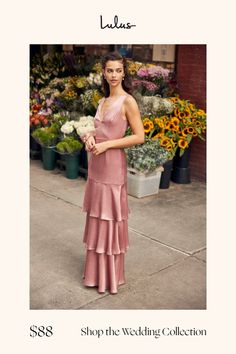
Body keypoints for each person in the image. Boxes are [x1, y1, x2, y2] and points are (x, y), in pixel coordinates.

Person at [82, 51, 144, 294]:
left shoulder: (127, 101)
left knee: (110, 219)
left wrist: (107, 144)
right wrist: (89, 137)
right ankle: (95, 275)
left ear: (124, 72)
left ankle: (109, 278)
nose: (114, 75)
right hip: (96, 167)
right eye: (110, 70)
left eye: (119, 70)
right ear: (103, 73)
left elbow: (139, 136)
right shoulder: (102, 101)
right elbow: (99, 131)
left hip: (113, 167)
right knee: (98, 217)